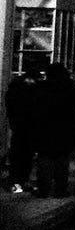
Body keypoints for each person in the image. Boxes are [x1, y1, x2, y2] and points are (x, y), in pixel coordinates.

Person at [32, 63, 75, 198]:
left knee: (44, 160)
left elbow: (32, 109)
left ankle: (44, 189)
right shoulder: (71, 89)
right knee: (62, 161)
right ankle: (60, 190)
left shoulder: (40, 89)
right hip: (65, 128)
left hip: (44, 128)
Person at [5, 64, 40, 193]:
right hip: (25, 128)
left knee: (20, 156)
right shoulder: (28, 91)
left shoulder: (14, 90)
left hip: (19, 127)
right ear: (30, 78)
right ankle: (19, 181)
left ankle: (17, 181)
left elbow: (11, 109)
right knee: (23, 156)